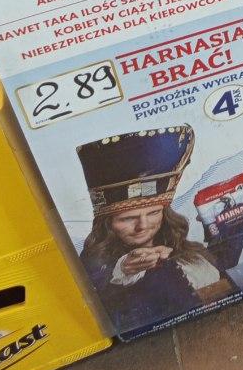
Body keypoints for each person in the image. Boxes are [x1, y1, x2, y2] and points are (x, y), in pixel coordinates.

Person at [76, 125, 232, 335]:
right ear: (107, 223)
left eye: (153, 213)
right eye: (128, 218)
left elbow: (223, 270)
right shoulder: (96, 261)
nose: (143, 226)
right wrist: (124, 268)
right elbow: (98, 285)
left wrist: (234, 222)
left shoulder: (183, 246)